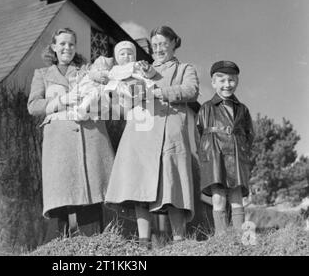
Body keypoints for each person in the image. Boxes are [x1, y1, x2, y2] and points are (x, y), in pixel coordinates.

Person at [105, 25, 199, 247]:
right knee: (139, 185)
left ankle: (180, 243)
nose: (158, 49)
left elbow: (191, 90)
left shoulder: (185, 68)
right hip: (140, 130)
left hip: (169, 131)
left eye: (163, 44)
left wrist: (159, 92)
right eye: (154, 45)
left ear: (174, 43)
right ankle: (144, 242)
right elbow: (125, 97)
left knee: (173, 186)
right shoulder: (138, 68)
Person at [27, 27, 115, 235]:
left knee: (90, 191)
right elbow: (33, 106)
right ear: (54, 47)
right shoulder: (42, 74)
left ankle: (93, 242)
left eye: (72, 44)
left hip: (89, 136)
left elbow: (105, 88)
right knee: (61, 194)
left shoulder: (86, 70)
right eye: (63, 43)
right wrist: (61, 100)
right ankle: (61, 243)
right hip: (59, 142)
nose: (67, 47)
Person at [197, 60, 254, 235]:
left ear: (237, 81)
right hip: (216, 156)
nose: (227, 85)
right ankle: (221, 237)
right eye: (222, 81)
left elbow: (249, 134)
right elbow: (199, 132)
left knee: (237, 196)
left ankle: (239, 236)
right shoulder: (206, 108)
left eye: (231, 80)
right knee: (218, 196)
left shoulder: (242, 110)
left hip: (237, 156)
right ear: (214, 83)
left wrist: (243, 151)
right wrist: (208, 154)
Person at [67, 40, 154, 121]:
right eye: (122, 54)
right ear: (117, 57)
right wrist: (96, 75)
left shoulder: (136, 65)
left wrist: (148, 70)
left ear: (134, 56)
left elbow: (149, 74)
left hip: (129, 91)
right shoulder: (115, 69)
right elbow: (104, 74)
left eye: (130, 54)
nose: (126, 56)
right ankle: (82, 110)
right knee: (95, 92)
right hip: (113, 93)